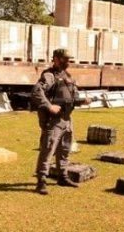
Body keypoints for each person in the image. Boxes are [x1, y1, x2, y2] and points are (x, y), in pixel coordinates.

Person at [31, 48, 90, 195]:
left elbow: (71, 98)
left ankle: (62, 176)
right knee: (48, 150)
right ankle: (41, 181)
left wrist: (82, 101)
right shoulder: (49, 75)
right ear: (56, 59)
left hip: (66, 119)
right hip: (53, 121)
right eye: (65, 59)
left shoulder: (67, 76)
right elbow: (36, 91)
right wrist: (49, 106)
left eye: (69, 59)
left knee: (65, 149)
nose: (68, 62)